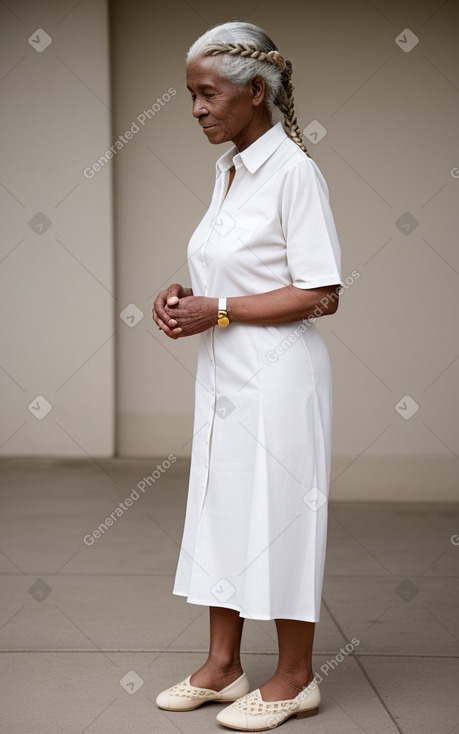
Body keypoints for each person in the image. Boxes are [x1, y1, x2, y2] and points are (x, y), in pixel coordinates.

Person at [153, 20, 342, 731]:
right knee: (222, 509)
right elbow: (235, 275)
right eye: (190, 97)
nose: (197, 109)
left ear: (255, 92)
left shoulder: (292, 171)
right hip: (226, 377)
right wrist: (185, 295)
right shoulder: (229, 169)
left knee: (284, 516)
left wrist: (220, 308)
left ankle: (294, 677)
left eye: (207, 94)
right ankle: (222, 664)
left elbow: (321, 291)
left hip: (281, 381)